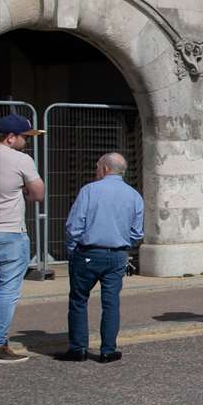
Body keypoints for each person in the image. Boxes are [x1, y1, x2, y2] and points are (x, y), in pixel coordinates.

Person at [60, 152, 143, 363]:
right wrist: (123, 244)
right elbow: (136, 232)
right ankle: (108, 350)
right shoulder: (134, 195)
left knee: (79, 300)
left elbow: (74, 225)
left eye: (97, 167)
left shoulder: (89, 191)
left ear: (105, 168)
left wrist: (73, 248)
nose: (96, 170)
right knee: (111, 302)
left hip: (88, 252)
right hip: (117, 255)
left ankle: (78, 348)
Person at [0, 114, 45, 364]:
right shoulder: (21, 160)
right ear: (10, 137)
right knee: (7, 290)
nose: (27, 141)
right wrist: (22, 189)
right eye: (25, 137)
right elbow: (38, 193)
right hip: (9, 232)